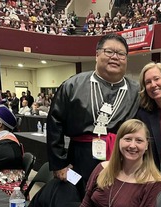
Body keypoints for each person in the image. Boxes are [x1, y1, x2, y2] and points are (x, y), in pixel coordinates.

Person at [47, 33, 140, 196]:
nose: (115, 57)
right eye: (109, 51)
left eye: (121, 54)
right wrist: (59, 163)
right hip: (80, 156)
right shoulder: (73, 85)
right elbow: (55, 122)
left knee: (116, 200)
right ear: (97, 55)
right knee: (79, 199)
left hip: (121, 156)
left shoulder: (137, 91)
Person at [70, 119, 161, 207]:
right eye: (127, 139)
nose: (132, 145)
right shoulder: (102, 168)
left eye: (139, 140)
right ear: (119, 141)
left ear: (147, 145)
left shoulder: (155, 184)